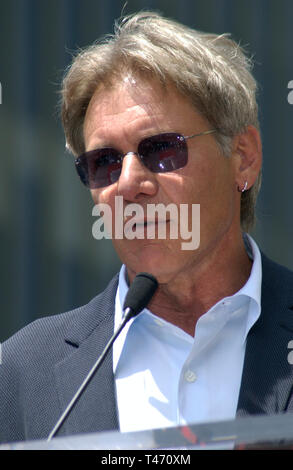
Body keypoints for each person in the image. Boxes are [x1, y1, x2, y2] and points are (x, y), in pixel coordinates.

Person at [1, 11, 293, 445]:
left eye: (161, 149)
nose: (129, 183)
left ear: (243, 156)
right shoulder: (21, 373)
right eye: (105, 162)